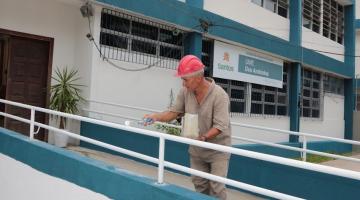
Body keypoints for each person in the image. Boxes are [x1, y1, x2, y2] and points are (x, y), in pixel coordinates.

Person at [144, 55, 231, 200]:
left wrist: (203, 137)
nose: (183, 84)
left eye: (185, 79)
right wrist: (155, 117)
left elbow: (220, 126)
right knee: (200, 185)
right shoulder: (185, 92)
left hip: (218, 150)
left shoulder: (219, 95)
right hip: (197, 149)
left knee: (217, 188)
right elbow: (174, 112)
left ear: (198, 77)